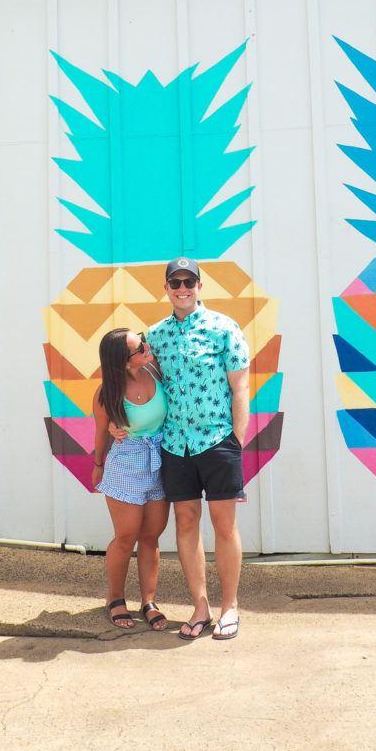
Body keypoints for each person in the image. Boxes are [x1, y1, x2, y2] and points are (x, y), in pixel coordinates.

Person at [147, 256, 250, 642]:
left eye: (189, 282)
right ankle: (201, 606)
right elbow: (135, 381)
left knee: (225, 526)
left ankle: (230, 607)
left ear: (200, 286)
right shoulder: (154, 336)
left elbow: (240, 387)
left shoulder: (224, 328)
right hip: (175, 444)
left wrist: (235, 441)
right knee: (186, 524)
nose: (183, 289)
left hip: (217, 441)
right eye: (176, 283)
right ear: (167, 288)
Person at [93, 327, 169, 631]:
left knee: (151, 536)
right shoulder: (107, 394)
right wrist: (98, 463)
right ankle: (115, 599)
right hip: (127, 462)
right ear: (124, 362)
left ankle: (148, 601)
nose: (147, 348)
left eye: (144, 343)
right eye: (139, 349)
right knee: (126, 537)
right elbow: (100, 432)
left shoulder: (156, 369)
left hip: (160, 459)